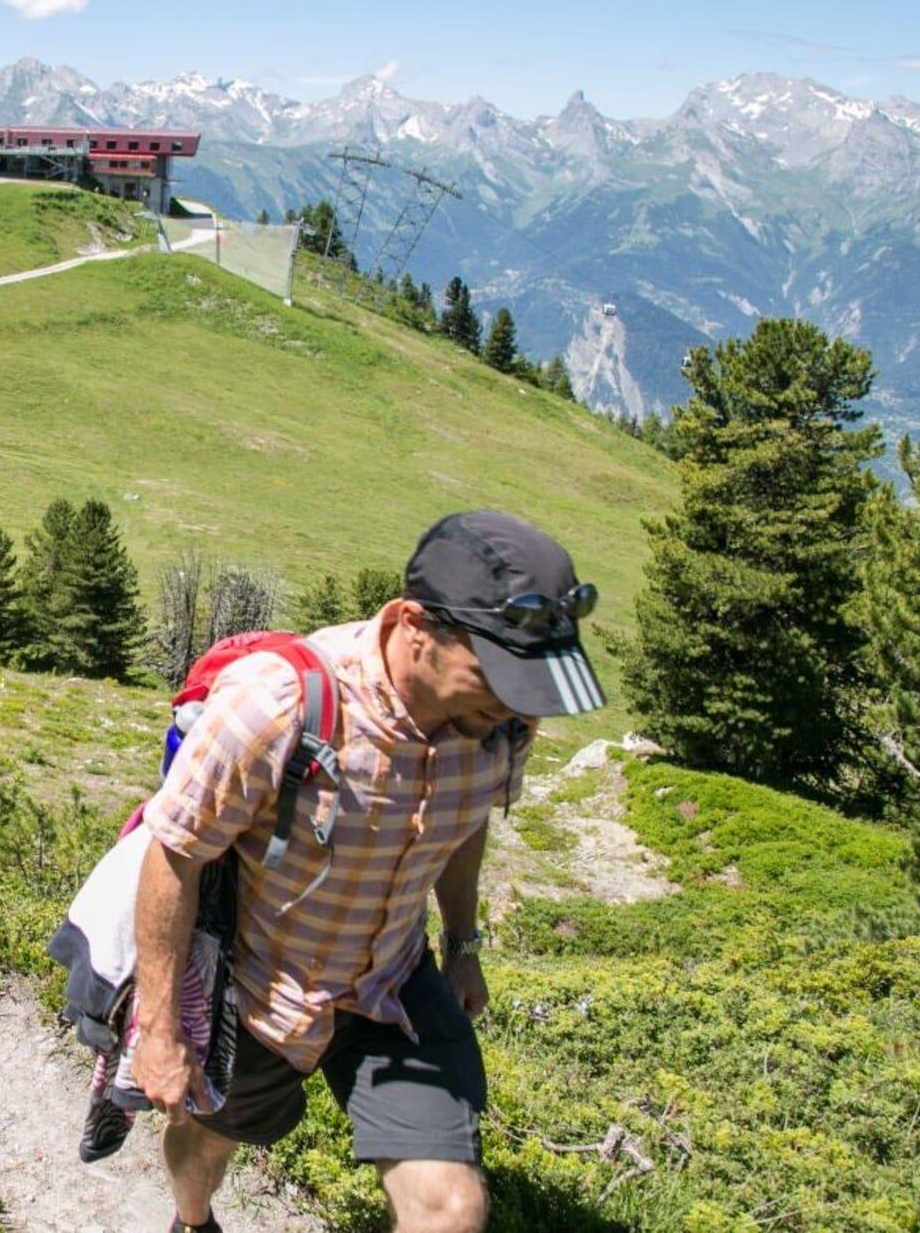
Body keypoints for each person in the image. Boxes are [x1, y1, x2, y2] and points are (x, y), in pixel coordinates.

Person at [133, 511, 607, 1233]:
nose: (519, 702)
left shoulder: (501, 723)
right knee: (205, 1142)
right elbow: (175, 854)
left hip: (392, 980)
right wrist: (161, 1028)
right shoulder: (276, 704)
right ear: (417, 626)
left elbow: (466, 820)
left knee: (451, 1210)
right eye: (500, 675)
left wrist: (462, 943)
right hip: (260, 990)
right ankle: (192, 1222)